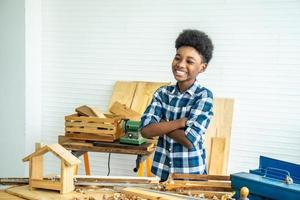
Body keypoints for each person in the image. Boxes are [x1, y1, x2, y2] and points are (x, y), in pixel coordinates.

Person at [140, 29, 214, 181]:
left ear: (202, 67)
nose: (180, 65)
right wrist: (180, 123)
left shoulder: (204, 96)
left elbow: (188, 140)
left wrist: (161, 125)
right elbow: (146, 131)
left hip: (191, 175)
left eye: (189, 61)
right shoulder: (162, 93)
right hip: (161, 173)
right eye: (177, 58)